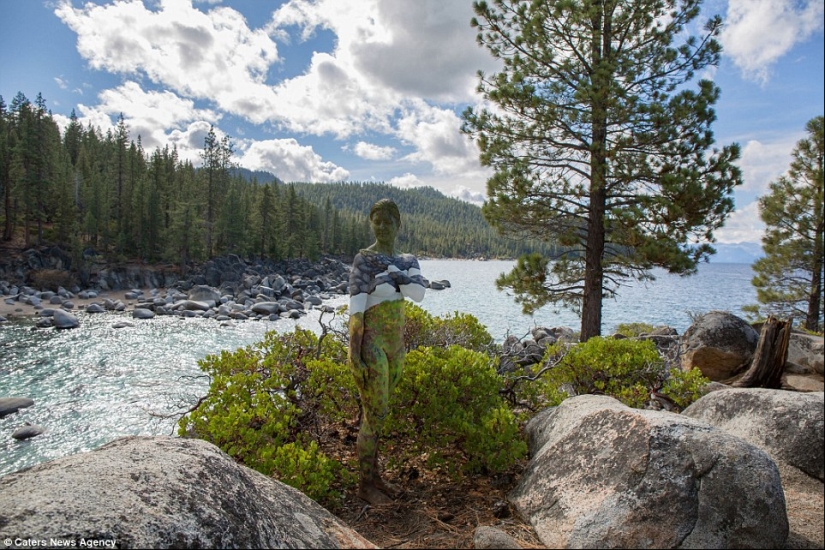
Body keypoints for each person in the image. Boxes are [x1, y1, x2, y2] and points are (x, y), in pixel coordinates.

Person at [348, 198, 427, 505]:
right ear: (371, 223)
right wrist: (354, 354)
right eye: (376, 221)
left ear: (398, 225)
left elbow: (417, 294)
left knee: (380, 415)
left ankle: (376, 477)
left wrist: (393, 272)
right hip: (373, 346)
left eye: (387, 221)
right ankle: (365, 485)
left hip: (397, 348)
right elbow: (356, 310)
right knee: (374, 414)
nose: (381, 227)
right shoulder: (364, 259)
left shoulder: (408, 259)